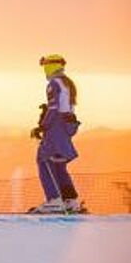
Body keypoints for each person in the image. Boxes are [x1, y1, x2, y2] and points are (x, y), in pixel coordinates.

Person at [30, 54, 82, 214]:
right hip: (67, 125)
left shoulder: (53, 83)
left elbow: (54, 108)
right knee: (59, 163)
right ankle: (70, 200)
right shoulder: (68, 83)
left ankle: (54, 200)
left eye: (45, 66)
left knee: (43, 159)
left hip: (56, 126)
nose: (44, 70)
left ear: (50, 66)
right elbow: (67, 106)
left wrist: (42, 126)